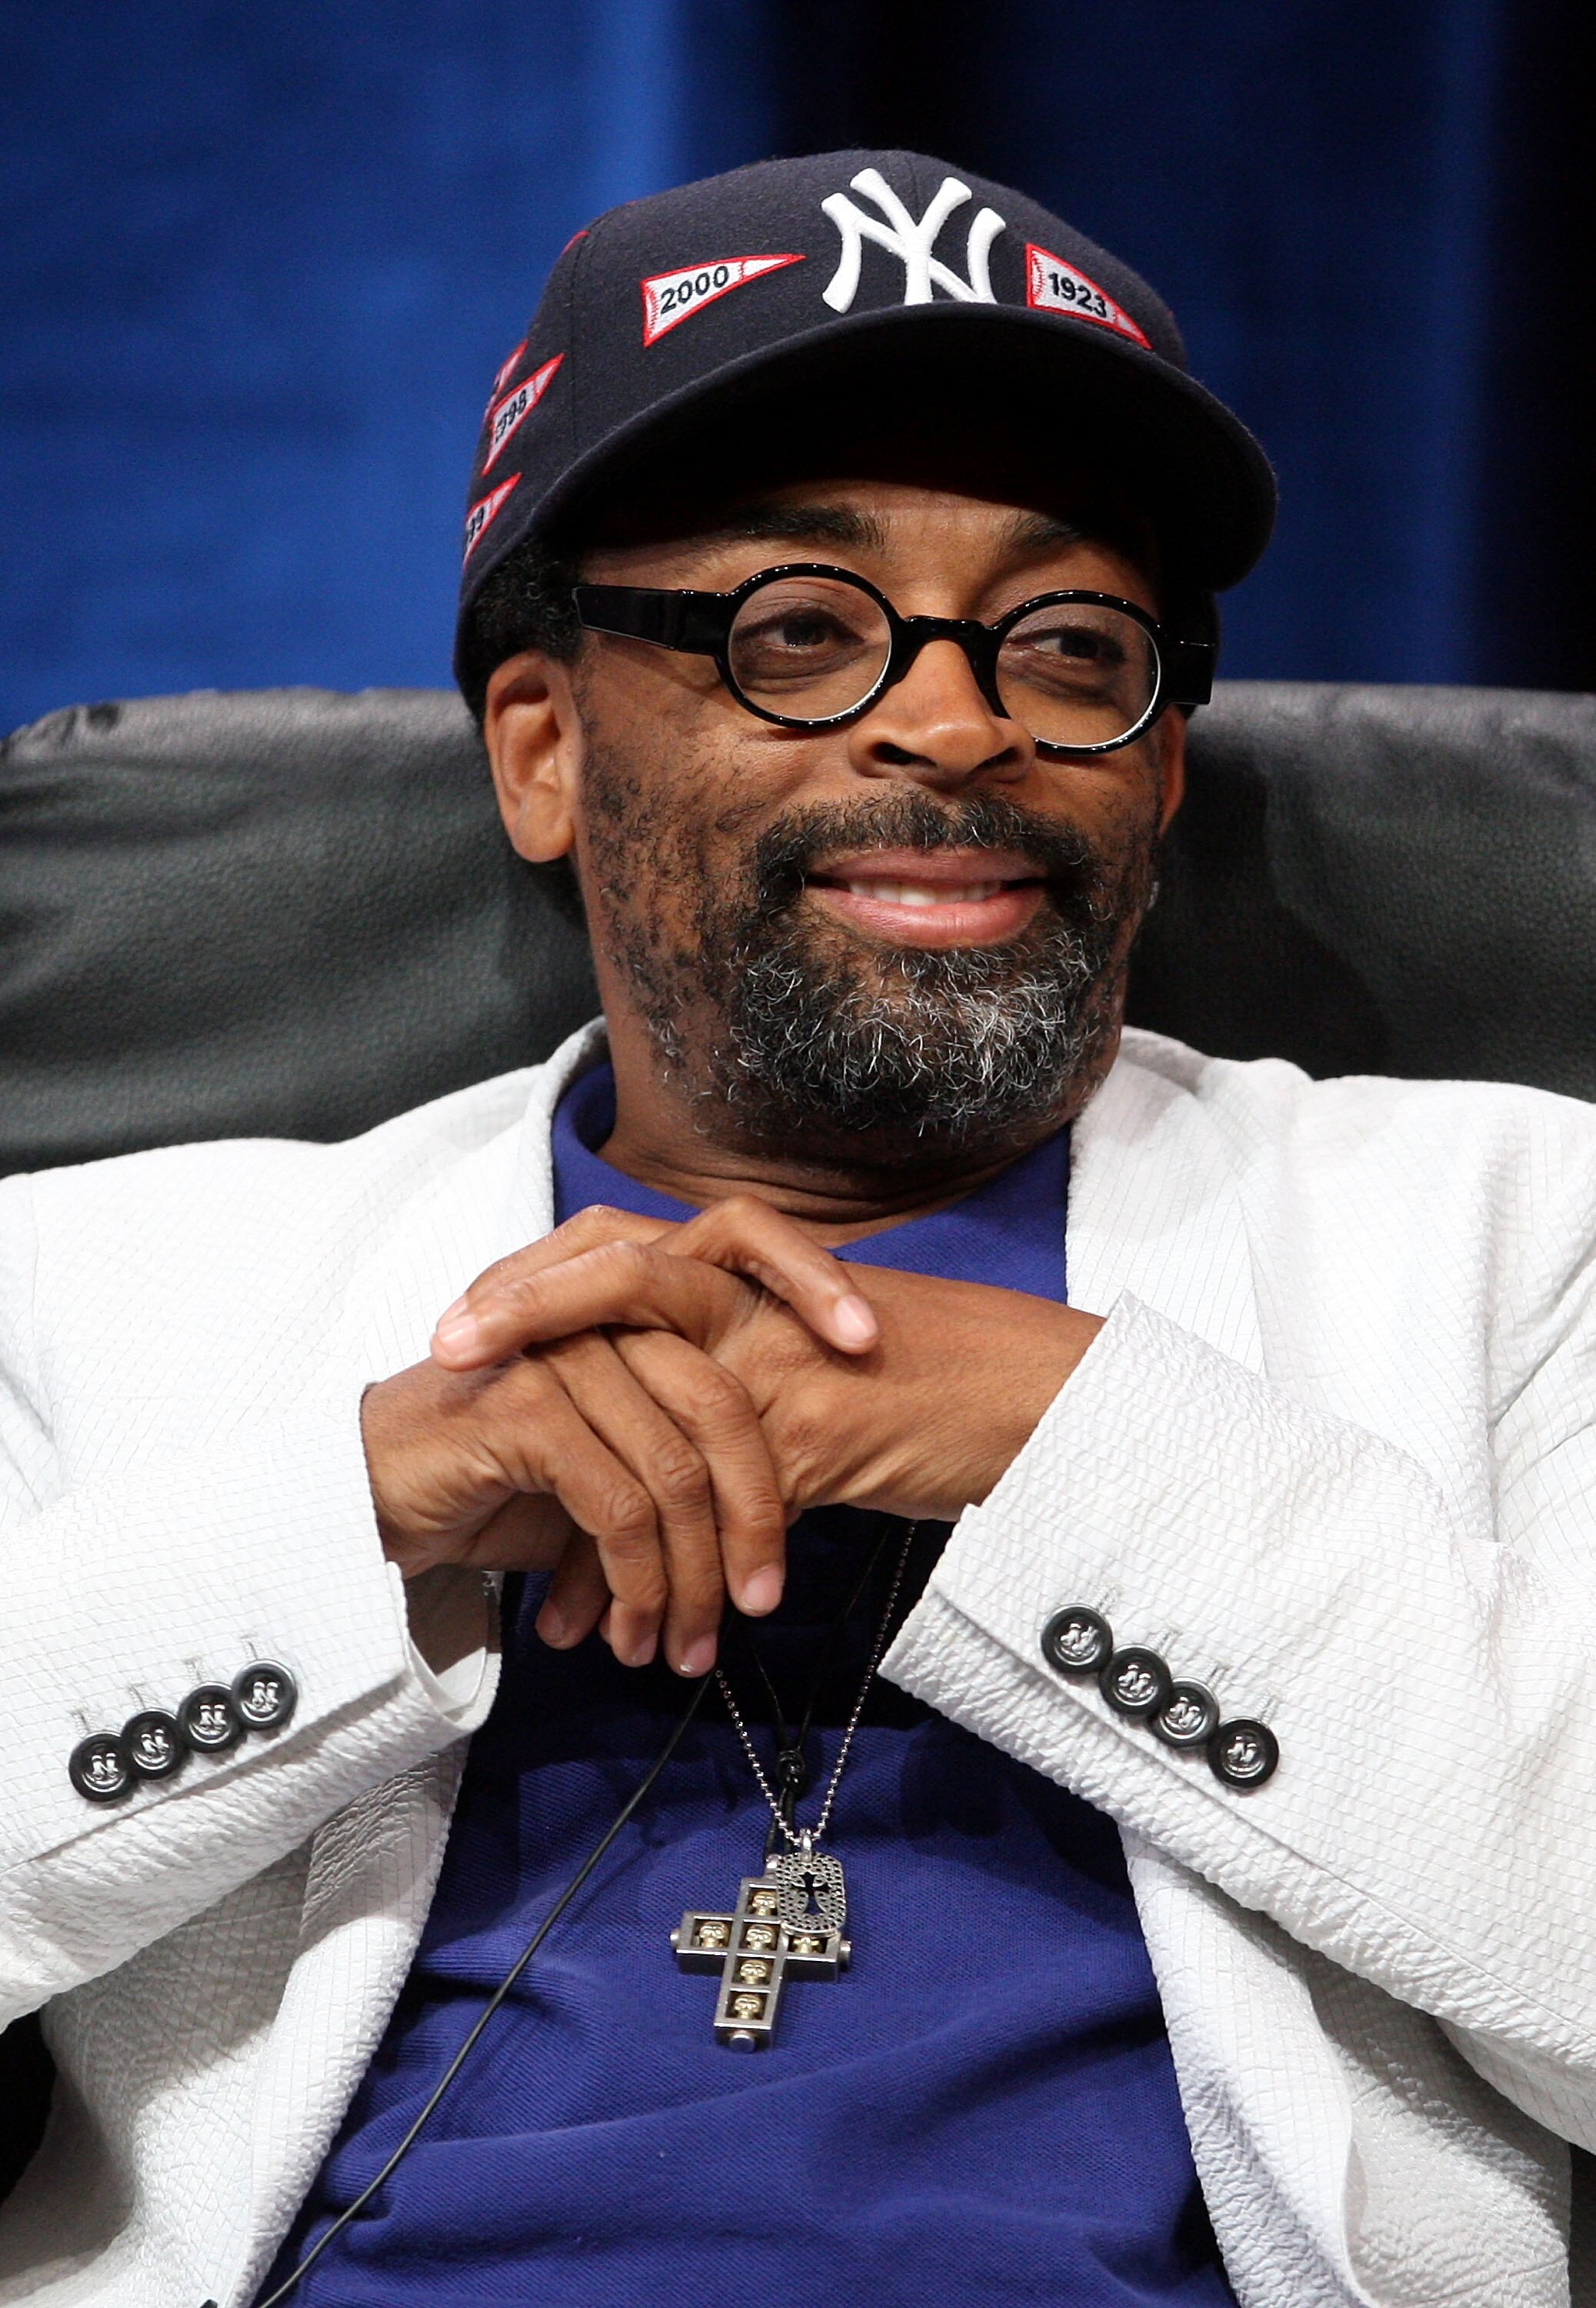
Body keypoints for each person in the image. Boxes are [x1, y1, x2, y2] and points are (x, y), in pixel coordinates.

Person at [2, 149, 1593, 2308]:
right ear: (545, 752)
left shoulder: (1521, 1238)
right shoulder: (103, 1288)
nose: (957, 721)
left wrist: (1080, 1452)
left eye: (1069, 645)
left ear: (1162, 772)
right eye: (802, 633)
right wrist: (347, 1522)